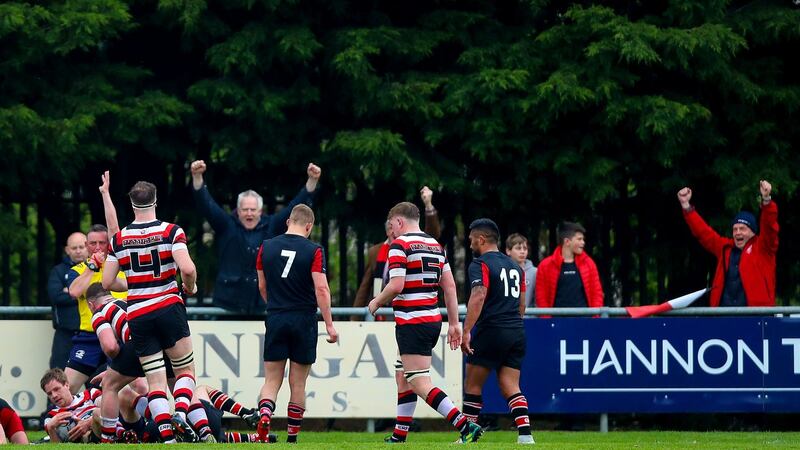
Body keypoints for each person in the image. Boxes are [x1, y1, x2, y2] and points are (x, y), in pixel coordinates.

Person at [368, 202, 482, 444]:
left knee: (419, 382)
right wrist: (453, 323)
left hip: (412, 321)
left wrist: (376, 301)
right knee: (403, 376)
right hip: (430, 319)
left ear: (399, 222)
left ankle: (464, 425)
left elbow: (397, 285)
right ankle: (399, 435)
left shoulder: (400, 245)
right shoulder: (435, 245)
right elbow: (449, 286)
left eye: (391, 227)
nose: (391, 233)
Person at [102, 180, 200, 443]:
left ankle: (167, 438)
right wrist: (189, 287)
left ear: (132, 204)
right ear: (155, 201)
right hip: (168, 307)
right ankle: (180, 413)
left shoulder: (119, 238)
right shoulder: (171, 232)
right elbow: (188, 269)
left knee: (155, 382)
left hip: (138, 315)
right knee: (184, 372)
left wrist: (133, 282)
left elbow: (107, 282)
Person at [190, 159, 321, 314]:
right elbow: (207, 206)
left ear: (260, 211)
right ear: (238, 211)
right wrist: (197, 177)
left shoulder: (272, 225)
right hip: (228, 305)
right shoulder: (227, 225)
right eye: (245, 210)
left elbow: (295, 207)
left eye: (253, 209)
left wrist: (312, 181)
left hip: (263, 305)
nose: (249, 213)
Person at [254, 204, 338, 443]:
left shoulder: (266, 247)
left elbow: (262, 286)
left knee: (272, 380)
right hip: (304, 319)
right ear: (309, 226)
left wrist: (276, 305)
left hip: (276, 316)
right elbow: (321, 288)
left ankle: (266, 414)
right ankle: (292, 437)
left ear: (288, 222)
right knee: (298, 382)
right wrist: (330, 325)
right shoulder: (314, 250)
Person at [461, 219, 534, 444]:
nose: (470, 242)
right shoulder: (515, 266)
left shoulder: (480, 263)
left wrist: (466, 330)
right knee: (510, 385)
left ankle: (467, 437)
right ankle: (525, 436)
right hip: (516, 330)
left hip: (491, 329)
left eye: (472, 238)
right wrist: (512, 321)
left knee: (472, 385)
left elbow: (479, 295)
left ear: (481, 239)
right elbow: (522, 304)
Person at [677, 180, 778, 306]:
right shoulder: (725, 248)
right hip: (724, 316)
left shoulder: (764, 247)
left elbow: (769, 226)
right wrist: (686, 206)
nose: (737, 232)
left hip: (756, 318)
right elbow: (703, 233)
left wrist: (767, 200)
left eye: (742, 228)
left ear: (753, 232)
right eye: (735, 229)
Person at [353, 186, 441, 320]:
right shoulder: (375, 252)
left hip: (409, 308)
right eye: (390, 228)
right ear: (388, 230)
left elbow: (432, 235)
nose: (394, 232)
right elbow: (365, 287)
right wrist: (355, 317)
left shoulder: (413, 245)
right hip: (383, 310)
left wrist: (428, 205)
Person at [64, 224, 127, 393]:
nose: (98, 247)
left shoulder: (120, 267)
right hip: (89, 336)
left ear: (109, 244)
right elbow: (75, 292)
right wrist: (92, 267)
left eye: (102, 242)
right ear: (86, 245)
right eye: (92, 243)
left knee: (129, 388)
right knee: (67, 388)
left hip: (118, 336)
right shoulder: (78, 270)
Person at [535, 222, 604, 311]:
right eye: (579, 239)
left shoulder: (589, 264)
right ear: (567, 241)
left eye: (583, 239)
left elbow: (597, 294)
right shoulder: (545, 266)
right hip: (557, 322)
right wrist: (547, 321)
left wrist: (594, 319)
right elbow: (541, 298)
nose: (583, 242)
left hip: (584, 321)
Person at [47, 232, 87, 370]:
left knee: (97, 381)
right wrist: (84, 293)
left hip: (91, 334)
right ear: (67, 250)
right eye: (74, 247)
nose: (78, 251)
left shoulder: (97, 268)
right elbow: (55, 297)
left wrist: (70, 291)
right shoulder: (58, 271)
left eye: (81, 247)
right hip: (65, 334)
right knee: (58, 377)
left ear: (87, 247)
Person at [40, 368, 102, 443]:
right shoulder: (51, 417)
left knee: (98, 412)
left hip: (103, 430)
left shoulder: (91, 394)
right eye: (49, 393)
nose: (54, 395)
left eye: (56, 389)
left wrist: (88, 423)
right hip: (86, 441)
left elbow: (108, 411)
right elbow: (57, 447)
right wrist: (51, 429)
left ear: (67, 385)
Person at [505, 233, 537, 308]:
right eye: (518, 248)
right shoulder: (502, 271)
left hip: (530, 317)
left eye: (525, 248)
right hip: (508, 317)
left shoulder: (535, 272)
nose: (522, 251)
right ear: (508, 251)